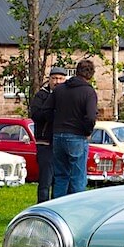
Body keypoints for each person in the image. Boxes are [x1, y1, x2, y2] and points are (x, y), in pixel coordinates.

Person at [51, 59, 98, 197]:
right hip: (77, 136)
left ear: (76, 71)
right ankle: (76, 208)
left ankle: (57, 208)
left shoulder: (59, 90)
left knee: (60, 176)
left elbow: (47, 110)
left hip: (58, 135)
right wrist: (88, 131)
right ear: (91, 74)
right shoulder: (88, 92)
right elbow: (90, 117)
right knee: (78, 177)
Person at [29, 66, 67, 203]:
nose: (57, 81)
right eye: (55, 78)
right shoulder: (41, 95)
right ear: (49, 80)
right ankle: (42, 206)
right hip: (45, 143)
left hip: (62, 142)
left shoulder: (66, 96)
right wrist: (50, 111)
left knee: (60, 180)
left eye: (61, 79)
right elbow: (35, 114)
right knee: (45, 180)